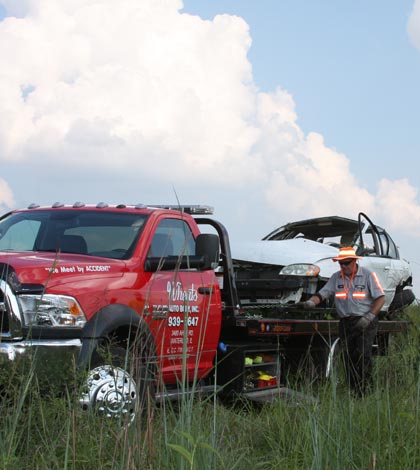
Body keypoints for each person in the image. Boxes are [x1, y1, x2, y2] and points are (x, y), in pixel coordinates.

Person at [303, 246, 385, 396]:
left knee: (362, 354)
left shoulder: (368, 275)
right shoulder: (336, 277)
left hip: (365, 321)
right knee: (347, 357)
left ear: (354, 261)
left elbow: (380, 298)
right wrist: (311, 302)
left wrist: (369, 317)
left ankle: (365, 391)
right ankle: (353, 391)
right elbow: (322, 294)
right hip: (346, 322)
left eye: (347, 263)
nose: (344, 266)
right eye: (341, 264)